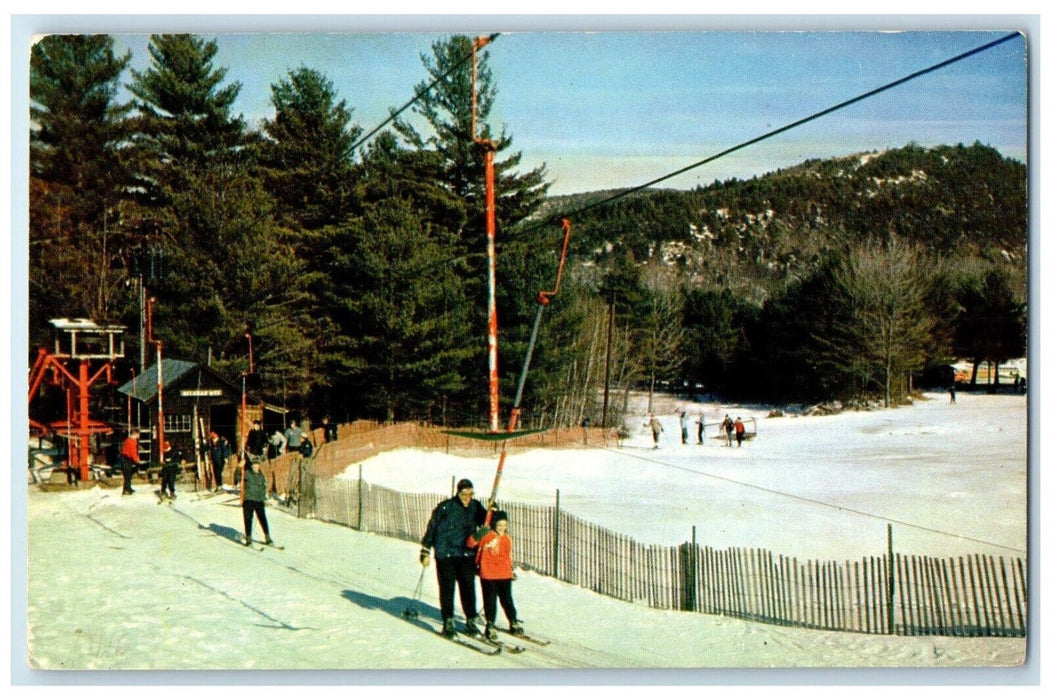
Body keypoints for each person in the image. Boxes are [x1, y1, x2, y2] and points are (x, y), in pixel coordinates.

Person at [419, 478, 488, 637]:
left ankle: (470, 621)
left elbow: (487, 522)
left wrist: (493, 511)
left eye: (471, 494)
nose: (468, 497)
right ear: (458, 492)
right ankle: (448, 621)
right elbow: (432, 528)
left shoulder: (475, 506)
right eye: (465, 494)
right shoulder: (446, 507)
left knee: (468, 588)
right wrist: (425, 549)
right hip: (446, 554)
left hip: (466, 554)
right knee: (447, 588)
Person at [466, 510, 523, 640]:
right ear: (494, 524)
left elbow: (508, 556)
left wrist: (510, 570)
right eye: (499, 524)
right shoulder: (486, 536)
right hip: (488, 574)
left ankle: (513, 621)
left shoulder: (507, 538)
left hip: (504, 573)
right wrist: (479, 534)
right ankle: (490, 625)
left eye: (504, 525)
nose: (502, 528)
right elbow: (470, 543)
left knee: (507, 599)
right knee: (490, 600)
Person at [241, 458, 273, 546]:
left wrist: (264, 498)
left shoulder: (261, 476)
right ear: (251, 466)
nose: (255, 468)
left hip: (259, 500)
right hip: (249, 500)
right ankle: (248, 538)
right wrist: (238, 467)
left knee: (263, 519)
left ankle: (267, 537)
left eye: (257, 466)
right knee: (248, 519)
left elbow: (263, 488)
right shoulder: (247, 474)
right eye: (254, 466)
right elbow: (237, 476)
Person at [118, 430, 140, 495]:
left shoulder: (128, 440)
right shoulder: (132, 441)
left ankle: (127, 488)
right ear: (135, 434)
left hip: (125, 458)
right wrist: (137, 460)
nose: (138, 436)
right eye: (138, 435)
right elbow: (133, 452)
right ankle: (127, 490)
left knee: (127, 475)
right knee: (128, 475)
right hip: (127, 459)